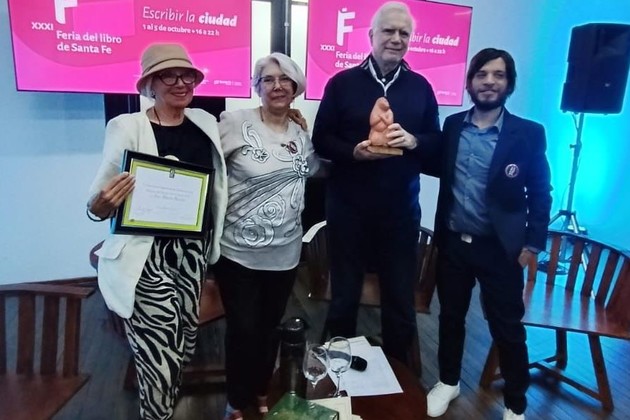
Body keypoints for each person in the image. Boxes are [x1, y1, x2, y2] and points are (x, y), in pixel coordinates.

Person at [87, 43, 228, 420]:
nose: (180, 83)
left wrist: (289, 113)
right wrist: (102, 204)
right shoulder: (127, 126)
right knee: (159, 352)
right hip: (145, 256)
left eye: (187, 75)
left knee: (181, 344)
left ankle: (161, 407)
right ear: (149, 84)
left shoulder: (205, 123)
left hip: (193, 255)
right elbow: (97, 203)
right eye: (168, 75)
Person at [425, 48, 552, 420]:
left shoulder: (528, 133)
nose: (489, 82)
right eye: (481, 74)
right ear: (470, 82)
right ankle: (448, 381)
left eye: (498, 75)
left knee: (507, 327)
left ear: (509, 83)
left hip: (500, 249)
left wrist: (532, 244)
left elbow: (541, 191)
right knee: (450, 318)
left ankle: (515, 403)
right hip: (454, 244)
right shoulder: (453, 126)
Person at [311, 1, 440, 365]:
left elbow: (435, 141)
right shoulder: (341, 84)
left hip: (400, 212)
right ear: (371, 35)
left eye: (404, 33)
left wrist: (413, 140)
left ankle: (399, 375)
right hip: (348, 208)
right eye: (389, 31)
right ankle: (336, 371)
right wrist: (353, 152)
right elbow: (321, 139)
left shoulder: (421, 87)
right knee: (344, 295)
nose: (396, 39)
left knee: (399, 297)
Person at [213, 52, 318, 420]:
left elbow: (313, 173)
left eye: (285, 79)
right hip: (237, 251)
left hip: (285, 253)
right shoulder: (234, 122)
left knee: (270, 328)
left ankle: (260, 388)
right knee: (242, 329)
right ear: (256, 87)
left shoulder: (300, 133)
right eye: (268, 80)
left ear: (296, 87)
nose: (277, 86)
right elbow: (206, 167)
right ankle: (235, 399)